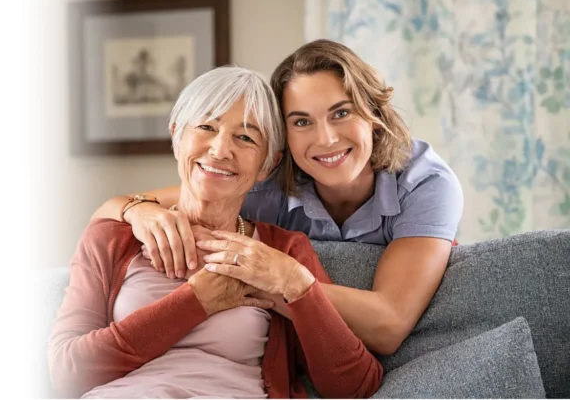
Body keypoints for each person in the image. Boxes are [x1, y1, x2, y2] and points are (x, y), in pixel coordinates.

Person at [89, 39, 464, 355]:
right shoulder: (266, 186)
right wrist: (139, 210)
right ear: (282, 140)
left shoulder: (425, 183)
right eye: (302, 122)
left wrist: (284, 277)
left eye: (341, 113)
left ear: (375, 115)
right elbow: (110, 211)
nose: (326, 139)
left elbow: (389, 325)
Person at [48, 66, 383, 398]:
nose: (221, 149)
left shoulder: (283, 252)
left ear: (267, 164)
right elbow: (68, 373)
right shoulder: (113, 237)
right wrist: (197, 301)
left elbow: (354, 387)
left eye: (246, 137)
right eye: (207, 127)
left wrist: (299, 286)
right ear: (177, 136)